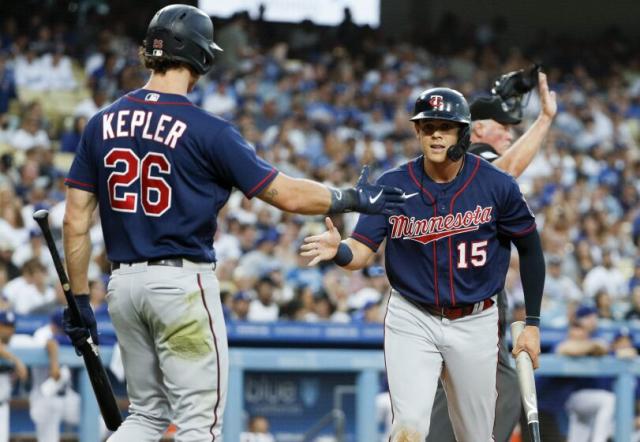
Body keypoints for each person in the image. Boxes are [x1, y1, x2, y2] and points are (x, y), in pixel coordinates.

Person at [60, 4, 404, 441]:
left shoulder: (100, 122)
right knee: (199, 423)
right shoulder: (209, 130)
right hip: (180, 286)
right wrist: (352, 197)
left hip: (122, 287)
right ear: (200, 56)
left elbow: (75, 221)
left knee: (145, 417)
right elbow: (286, 194)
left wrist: (78, 299)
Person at [302, 87, 545, 441]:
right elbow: (360, 251)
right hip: (412, 317)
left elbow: (531, 249)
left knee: (477, 436)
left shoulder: (496, 184)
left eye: (444, 127)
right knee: (409, 429)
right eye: (427, 126)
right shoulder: (394, 185)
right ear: (417, 131)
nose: (435, 134)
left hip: (475, 320)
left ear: (462, 133)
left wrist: (534, 322)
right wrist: (339, 250)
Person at [427, 71, 557, 442]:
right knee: (494, 387)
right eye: (503, 128)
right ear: (480, 130)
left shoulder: (465, 163)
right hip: (458, 296)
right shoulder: (475, 158)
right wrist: (545, 119)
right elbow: (507, 170)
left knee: (488, 388)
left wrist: (505, 102)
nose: (509, 135)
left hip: (464, 294)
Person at [30, 310, 80, 442]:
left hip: (66, 396)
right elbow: (50, 344)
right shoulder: (42, 333)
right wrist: (54, 365)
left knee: (101, 423)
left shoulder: (69, 333)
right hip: (45, 397)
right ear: (54, 326)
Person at [0, 309, 28, 442]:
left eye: (11, 326)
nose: (8, 330)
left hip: (3, 405)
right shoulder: (9, 351)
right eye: (5, 326)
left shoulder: (15, 343)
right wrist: (16, 361)